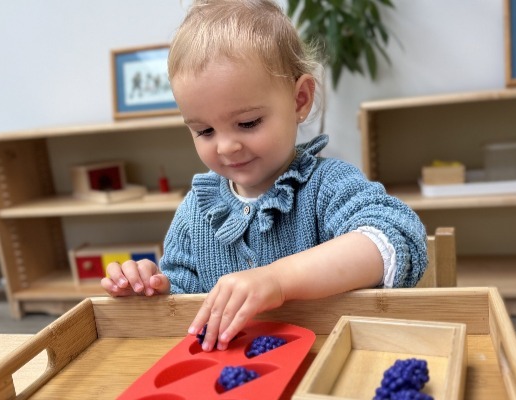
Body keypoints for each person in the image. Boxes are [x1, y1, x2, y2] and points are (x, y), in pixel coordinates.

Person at [101, 0, 427, 353]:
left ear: (300, 99)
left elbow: (396, 239)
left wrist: (277, 279)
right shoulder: (195, 210)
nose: (226, 146)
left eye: (248, 123)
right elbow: (186, 306)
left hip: (327, 362)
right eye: (204, 131)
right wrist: (154, 287)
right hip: (236, 375)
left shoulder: (327, 185)